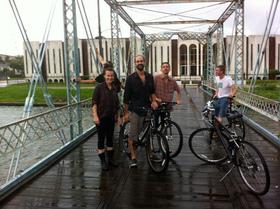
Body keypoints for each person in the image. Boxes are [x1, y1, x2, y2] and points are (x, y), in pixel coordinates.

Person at [123, 54, 158, 168]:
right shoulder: (130, 78)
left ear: (144, 62)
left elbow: (152, 92)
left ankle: (150, 153)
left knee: (148, 134)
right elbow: (126, 98)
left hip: (147, 109)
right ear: (135, 63)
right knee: (133, 136)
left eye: (141, 61)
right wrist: (126, 113)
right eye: (137, 61)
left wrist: (153, 101)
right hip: (135, 110)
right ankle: (133, 157)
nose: (139, 63)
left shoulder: (149, 76)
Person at [92, 66, 119, 171]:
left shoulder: (114, 88)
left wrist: (117, 116)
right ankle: (103, 161)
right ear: (104, 76)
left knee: (110, 138)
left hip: (111, 117)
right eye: (108, 75)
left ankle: (110, 159)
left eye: (112, 76)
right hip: (101, 117)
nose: (110, 77)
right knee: (101, 139)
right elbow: (94, 103)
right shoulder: (99, 88)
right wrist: (95, 116)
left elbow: (116, 104)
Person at [154, 62, 182, 127]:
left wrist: (178, 99)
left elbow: (178, 90)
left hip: (167, 105)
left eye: (167, 67)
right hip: (157, 104)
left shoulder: (172, 80)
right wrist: (155, 98)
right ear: (161, 69)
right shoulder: (156, 78)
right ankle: (154, 133)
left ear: (169, 69)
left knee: (165, 123)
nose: (165, 68)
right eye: (163, 67)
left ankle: (163, 135)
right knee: (155, 123)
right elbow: (150, 90)